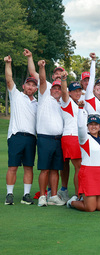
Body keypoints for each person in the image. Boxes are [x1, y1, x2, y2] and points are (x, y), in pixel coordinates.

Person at [4, 55, 38, 205]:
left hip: (31, 138)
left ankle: (26, 195)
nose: (30, 87)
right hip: (16, 136)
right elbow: (9, 79)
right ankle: (9, 194)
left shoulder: (38, 103)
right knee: (13, 166)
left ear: (36, 88)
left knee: (29, 167)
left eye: (33, 85)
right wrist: (8, 64)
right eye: (28, 84)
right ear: (24, 86)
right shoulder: (16, 95)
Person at [67, 101, 100, 212]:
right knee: (90, 208)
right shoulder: (84, 138)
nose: (93, 126)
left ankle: (85, 198)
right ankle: (72, 202)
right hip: (89, 173)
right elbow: (80, 126)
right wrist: (81, 109)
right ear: (88, 126)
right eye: (91, 124)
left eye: (96, 124)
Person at [35, 60, 65, 207]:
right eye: (55, 88)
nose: (57, 90)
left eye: (59, 89)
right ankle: (42, 196)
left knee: (55, 170)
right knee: (45, 169)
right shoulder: (44, 96)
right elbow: (41, 79)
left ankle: (53, 196)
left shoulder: (63, 103)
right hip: (44, 138)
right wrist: (42, 67)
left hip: (58, 139)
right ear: (51, 89)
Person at [59, 71, 82, 201]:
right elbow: (63, 92)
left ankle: (69, 191)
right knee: (79, 166)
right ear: (70, 92)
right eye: (75, 91)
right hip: (71, 136)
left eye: (79, 90)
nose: (78, 93)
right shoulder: (67, 101)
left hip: (74, 136)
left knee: (75, 166)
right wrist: (63, 80)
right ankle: (79, 195)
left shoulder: (78, 104)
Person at [85, 53, 100, 138]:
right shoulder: (89, 96)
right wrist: (93, 61)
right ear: (94, 87)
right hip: (92, 132)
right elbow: (92, 77)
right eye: (98, 85)